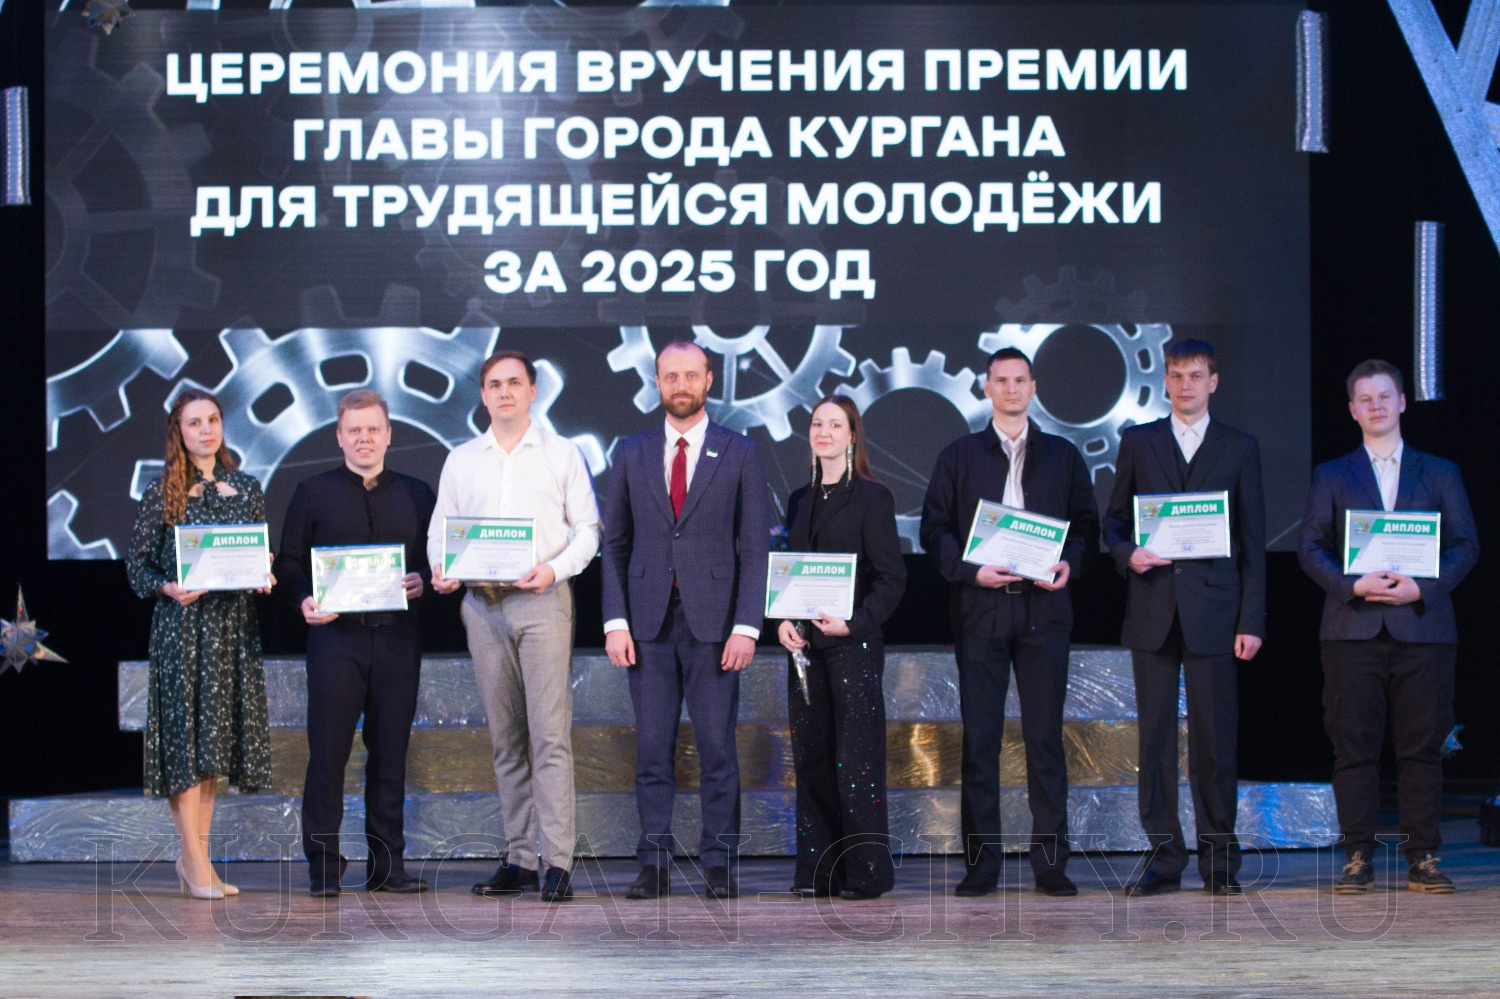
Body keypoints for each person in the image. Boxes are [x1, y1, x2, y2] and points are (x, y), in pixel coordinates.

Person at [920, 347, 1098, 898]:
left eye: (1021, 380)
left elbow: (1086, 526)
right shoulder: (958, 455)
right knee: (981, 742)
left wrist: (1070, 562)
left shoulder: (1063, 456)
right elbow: (934, 530)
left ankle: (1051, 864)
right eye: (1002, 380)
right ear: (987, 387)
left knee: (1045, 741)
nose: (1012, 389)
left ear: (1033, 387)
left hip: (1045, 611)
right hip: (982, 609)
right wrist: (971, 571)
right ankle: (982, 865)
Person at [1298, 359, 1478, 894]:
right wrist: (1352, 584)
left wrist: (1423, 587)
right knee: (1353, 749)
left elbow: (1466, 545)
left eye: (1384, 397)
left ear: (1401, 402)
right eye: (1365, 399)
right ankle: (1358, 857)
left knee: (1423, 748)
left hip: (1424, 628)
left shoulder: (1440, 471)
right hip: (1351, 631)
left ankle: (1423, 857)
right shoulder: (1332, 474)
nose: (1375, 406)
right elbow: (1310, 548)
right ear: (1352, 410)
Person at [428, 351, 601, 904]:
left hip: (542, 600)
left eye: (514, 383)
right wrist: (441, 567)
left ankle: (558, 863)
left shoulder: (561, 453)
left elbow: (588, 531)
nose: (504, 392)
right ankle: (520, 859)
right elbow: (440, 530)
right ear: (483, 395)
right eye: (494, 385)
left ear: (532, 391)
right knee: (506, 740)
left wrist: (554, 569)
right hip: (482, 607)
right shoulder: (462, 460)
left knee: (549, 737)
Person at [601, 339, 770, 900]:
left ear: (708, 380)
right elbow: (615, 544)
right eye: (670, 376)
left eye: (690, 375)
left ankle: (718, 861)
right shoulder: (631, 451)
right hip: (646, 626)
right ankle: (653, 864)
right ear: (657, 381)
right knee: (652, 752)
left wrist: (747, 626)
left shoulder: (740, 451)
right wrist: (615, 621)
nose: (681, 385)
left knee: (718, 750)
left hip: (716, 627)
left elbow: (754, 547)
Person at [1102, 339, 1265, 897]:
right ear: (1166, 381)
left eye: (1195, 375)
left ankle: (1219, 862)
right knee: (1154, 742)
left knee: (1215, 742)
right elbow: (1114, 522)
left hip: (1216, 613)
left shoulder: (1239, 447)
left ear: (1213, 382)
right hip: (1153, 607)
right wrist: (1129, 554)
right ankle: (1163, 859)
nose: (1185, 384)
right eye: (1176, 375)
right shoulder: (1139, 441)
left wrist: (1252, 620)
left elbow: (1252, 542)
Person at [273, 389, 436, 897]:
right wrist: (302, 599)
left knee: (391, 755)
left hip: (397, 640)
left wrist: (425, 581)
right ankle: (323, 867)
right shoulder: (311, 492)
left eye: (373, 429)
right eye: (354, 430)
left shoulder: (418, 494)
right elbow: (288, 562)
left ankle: (388, 867)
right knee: (327, 756)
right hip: (335, 642)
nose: (364, 438)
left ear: (388, 435)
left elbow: (437, 562)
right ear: (339, 437)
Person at [126, 389, 272, 899]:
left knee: (212, 749)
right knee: (185, 745)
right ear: (179, 432)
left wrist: (262, 572)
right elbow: (136, 566)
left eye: (213, 420)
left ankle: (197, 863)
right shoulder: (162, 490)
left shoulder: (247, 487)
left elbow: (256, 551)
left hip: (231, 629)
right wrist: (167, 586)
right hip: (182, 629)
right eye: (194, 423)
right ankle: (193, 861)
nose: (206, 430)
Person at [776, 395, 906, 900]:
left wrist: (853, 624)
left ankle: (867, 873)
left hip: (852, 647)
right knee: (811, 758)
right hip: (805, 649)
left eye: (835, 424)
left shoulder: (873, 497)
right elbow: (790, 574)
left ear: (852, 436)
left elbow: (892, 578)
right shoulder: (798, 499)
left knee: (856, 762)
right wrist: (783, 621)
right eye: (816, 424)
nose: (823, 432)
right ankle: (819, 873)